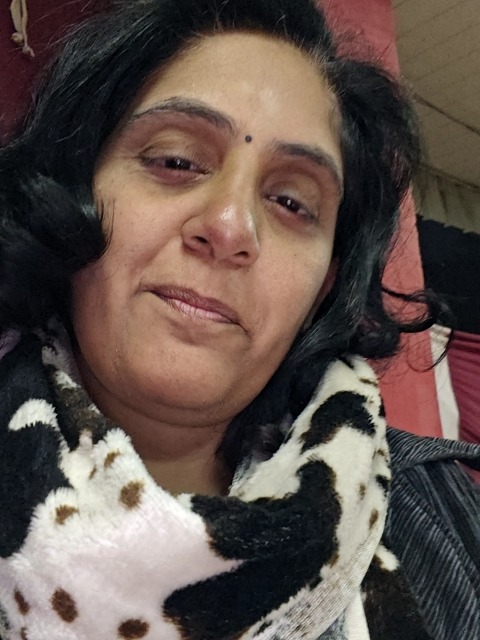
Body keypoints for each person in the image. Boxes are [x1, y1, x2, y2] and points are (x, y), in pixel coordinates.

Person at [0, 0, 478, 638]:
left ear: (324, 286)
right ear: (71, 193)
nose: (229, 227)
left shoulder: (441, 512)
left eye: (291, 202)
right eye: (176, 161)